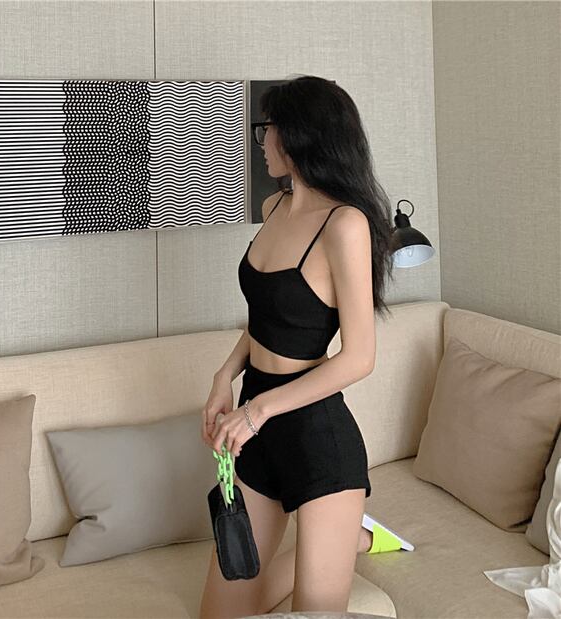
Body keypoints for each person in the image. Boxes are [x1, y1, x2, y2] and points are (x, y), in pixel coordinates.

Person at [199, 75, 395, 618]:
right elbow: (270, 317)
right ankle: (352, 540)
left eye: (267, 128)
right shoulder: (274, 206)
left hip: (315, 435)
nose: (260, 140)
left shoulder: (345, 224)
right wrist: (224, 377)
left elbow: (359, 357)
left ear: (299, 134)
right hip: (256, 424)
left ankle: (348, 535)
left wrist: (256, 411)